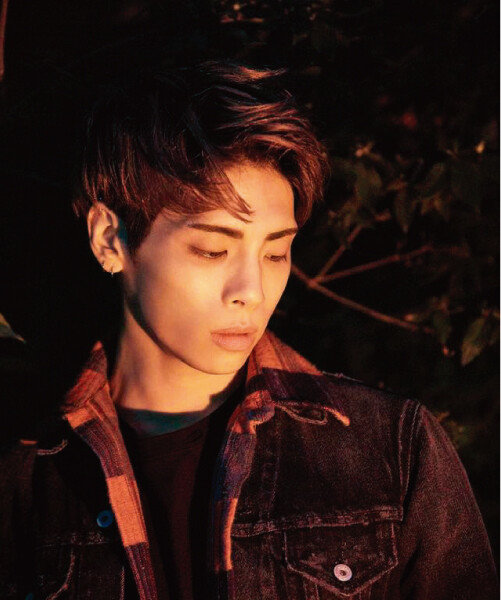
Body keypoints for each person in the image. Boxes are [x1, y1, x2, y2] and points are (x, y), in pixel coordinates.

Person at [0, 61, 497, 600]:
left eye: (276, 252)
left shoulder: (393, 452)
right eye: (213, 250)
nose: (252, 290)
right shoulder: (22, 478)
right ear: (109, 240)